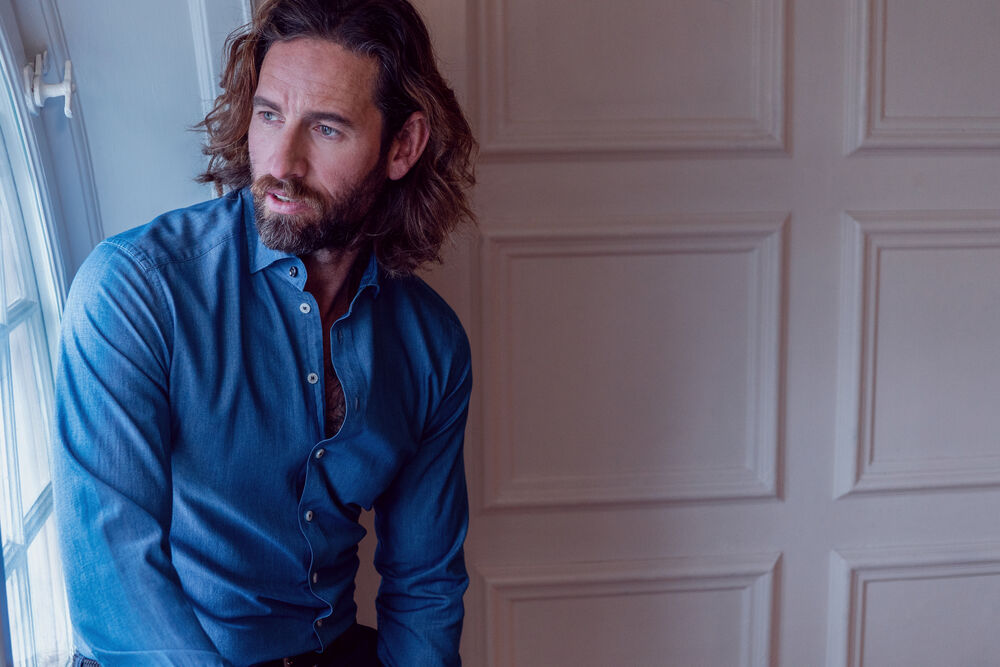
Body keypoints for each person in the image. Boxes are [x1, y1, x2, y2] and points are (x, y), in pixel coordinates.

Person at [52, 0, 476, 665]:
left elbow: (424, 585)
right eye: (269, 115)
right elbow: (115, 582)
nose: (282, 162)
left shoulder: (432, 346)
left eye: (327, 128)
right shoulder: (135, 291)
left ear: (402, 146)